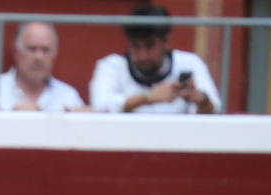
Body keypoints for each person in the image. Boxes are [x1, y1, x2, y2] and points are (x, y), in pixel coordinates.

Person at [89, 3, 219, 114]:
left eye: (150, 46)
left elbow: (215, 108)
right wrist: (147, 98)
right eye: (135, 46)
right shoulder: (112, 66)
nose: (142, 55)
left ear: (166, 41)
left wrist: (201, 100)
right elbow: (100, 106)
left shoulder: (189, 62)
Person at [0, 21, 87, 112]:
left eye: (45, 50)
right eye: (32, 49)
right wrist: (12, 119)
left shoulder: (68, 96)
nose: (39, 57)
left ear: (54, 54)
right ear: (16, 52)